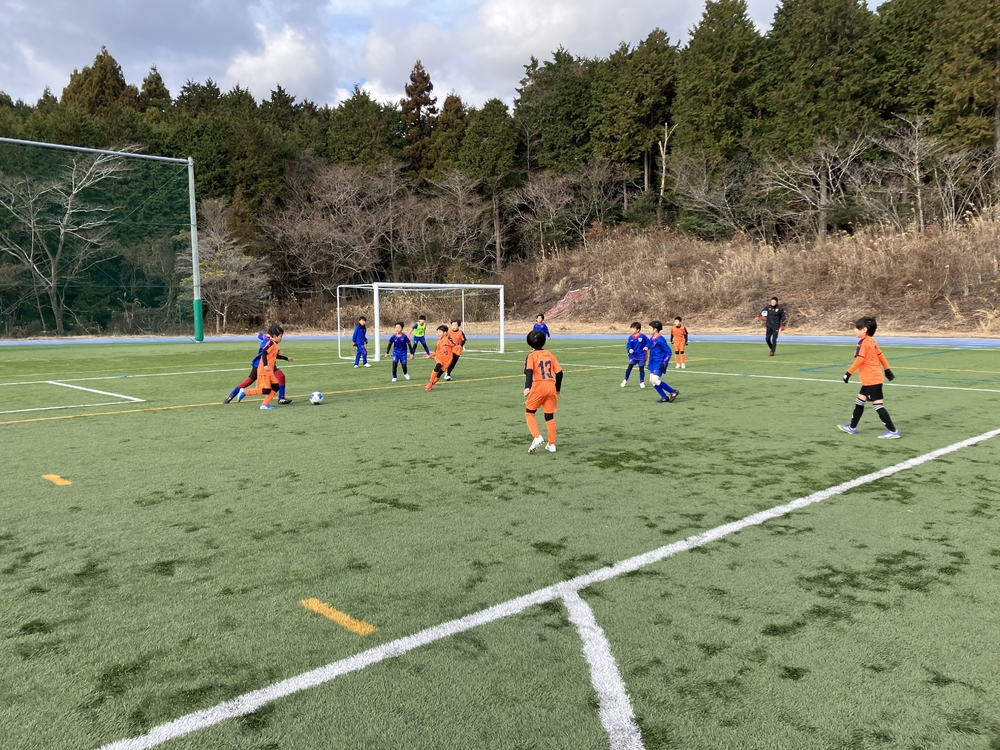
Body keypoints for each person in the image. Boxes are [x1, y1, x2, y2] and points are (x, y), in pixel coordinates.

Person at [838, 316, 900, 439]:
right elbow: (881, 355)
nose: (855, 330)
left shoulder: (864, 342)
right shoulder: (871, 340)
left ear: (864, 330)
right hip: (870, 380)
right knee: (859, 402)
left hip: (872, 380)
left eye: (857, 328)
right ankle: (852, 427)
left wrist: (848, 373)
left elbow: (860, 359)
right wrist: (887, 369)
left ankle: (893, 431)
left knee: (878, 406)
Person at [225, 327, 293, 404]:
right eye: (280, 336)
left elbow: (263, 336)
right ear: (274, 336)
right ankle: (233, 395)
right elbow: (264, 352)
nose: (281, 338)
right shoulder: (269, 343)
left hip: (268, 365)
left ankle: (281, 398)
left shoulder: (269, 339)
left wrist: (259, 335)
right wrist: (273, 356)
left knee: (280, 377)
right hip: (261, 365)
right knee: (251, 382)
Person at [524, 329, 562, 453]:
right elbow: (559, 373)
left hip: (538, 387)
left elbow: (529, 372)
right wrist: (557, 389)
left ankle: (537, 436)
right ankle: (552, 444)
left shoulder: (531, 356)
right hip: (551, 387)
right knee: (549, 416)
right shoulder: (550, 354)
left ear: (529, 344)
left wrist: (527, 387)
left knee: (530, 413)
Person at [647, 321, 679, 403]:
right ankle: (664, 397)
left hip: (659, 362)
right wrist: (646, 347)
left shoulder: (660, 340)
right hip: (653, 362)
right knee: (652, 380)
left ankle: (673, 391)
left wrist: (664, 362)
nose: (648, 330)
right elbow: (649, 344)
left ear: (655, 329)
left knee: (655, 379)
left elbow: (669, 352)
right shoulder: (652, 338)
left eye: (650, 328)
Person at [620, 322, 650, 389]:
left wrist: (647, 346)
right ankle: (625, 380)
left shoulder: (643, 336)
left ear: (638, 329)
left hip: (641, 355)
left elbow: (649, 342)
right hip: (633, 356)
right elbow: (628, 345)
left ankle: (641, 382)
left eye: (633, 329)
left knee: (641, 369)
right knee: (629, 367)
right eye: (631, 328)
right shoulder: (630, 337)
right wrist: (629, 349)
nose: (631, 330)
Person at [425, 325, 453, 391]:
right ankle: (431, 382)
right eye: (437, 332)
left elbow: (455, 344)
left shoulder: (449, 339)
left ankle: (431, 385)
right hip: (439, 358)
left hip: (447, 360)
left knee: (439, 374)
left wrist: (448, 344)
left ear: (445, 333)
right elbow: (436, 352)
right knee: (438, 366)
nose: (438, 334)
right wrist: (430, 356)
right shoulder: (439, 342)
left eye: (439, 332)